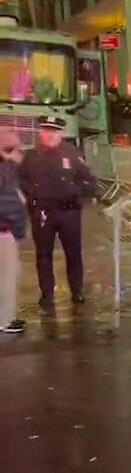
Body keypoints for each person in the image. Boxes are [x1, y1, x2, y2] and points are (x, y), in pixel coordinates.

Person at [18, 116, 97, 308]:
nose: (49, 135)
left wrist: (81, 196)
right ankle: (47, 294)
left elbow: (88, 179)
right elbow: (20, 180)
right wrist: (31, 196)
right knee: (43, 255)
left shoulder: (71, 154)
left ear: (60, 133)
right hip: (43, 213)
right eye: (45, 131)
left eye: (53, 131)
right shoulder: (30, 157)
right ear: (40, 133)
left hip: (68, 212)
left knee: (73, 254)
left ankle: (77, 291)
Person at [0, 131, 25, 334]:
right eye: (11, 149)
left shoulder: (7, 167)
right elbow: (7, 203)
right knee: (6, 277)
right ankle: (5, 320)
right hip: (3, 230)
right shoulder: (3, 170)